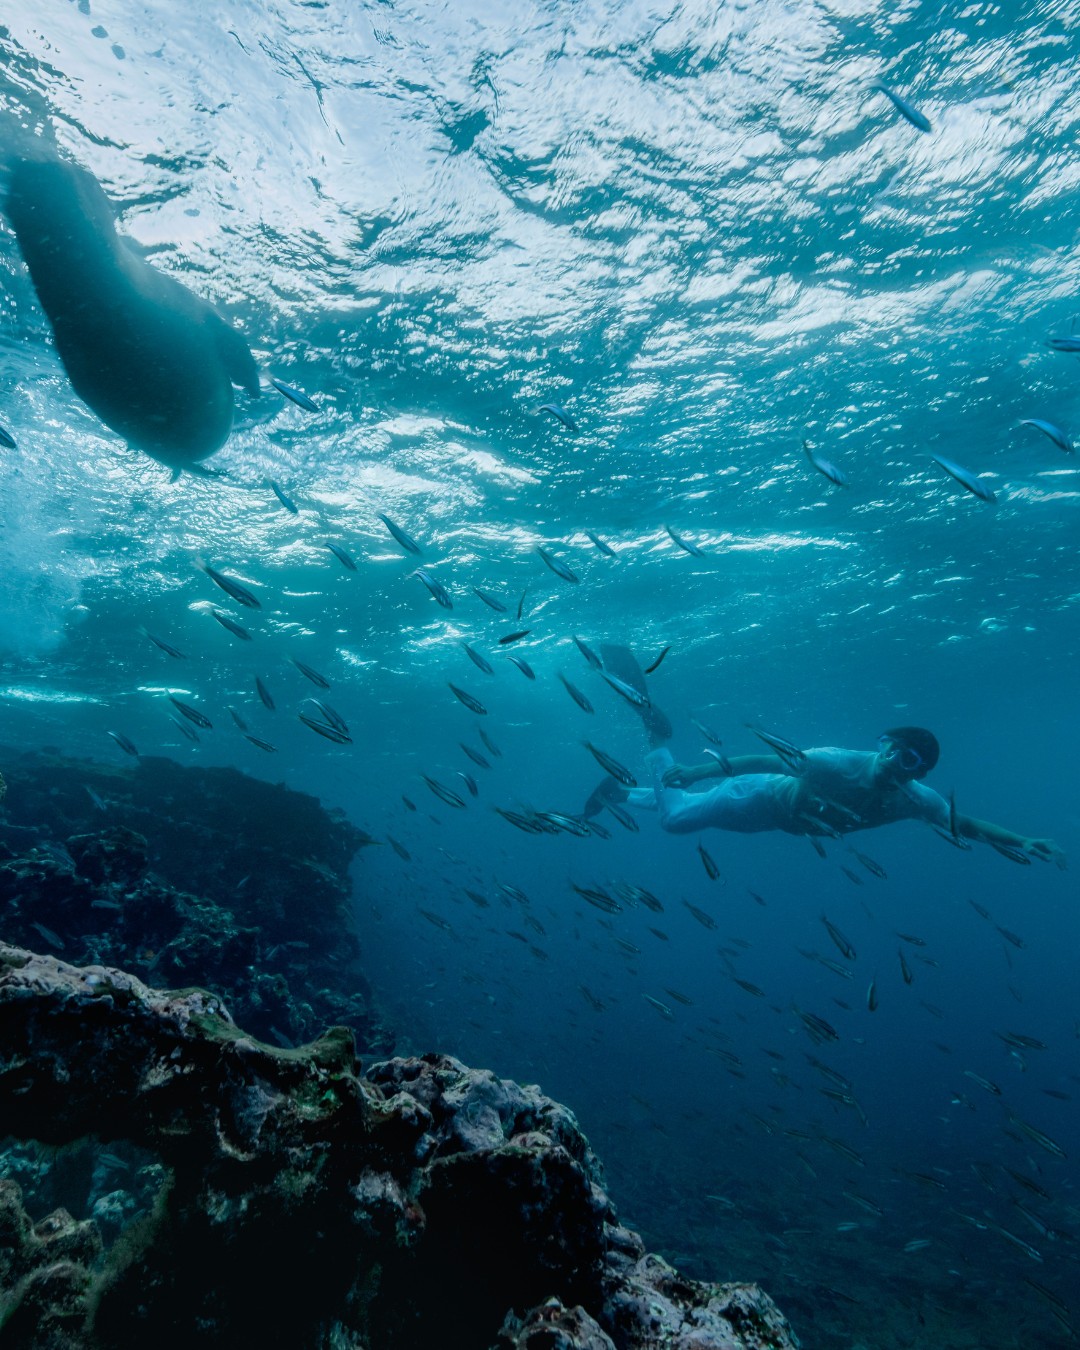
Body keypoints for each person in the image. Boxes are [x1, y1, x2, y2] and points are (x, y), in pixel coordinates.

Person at [602, 725, 1066, 867]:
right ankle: (657, 743)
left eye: (906, 759)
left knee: (681, 808)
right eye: (889, 747)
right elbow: (767, 759)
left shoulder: (916, 800)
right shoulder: (836, 761)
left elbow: (961, 825)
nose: (890, 760)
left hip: (772, 821)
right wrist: (698, 770)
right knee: (675, 822)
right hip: (752, 798)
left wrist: (1023, 841)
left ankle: (620, 793)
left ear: (920, 772)